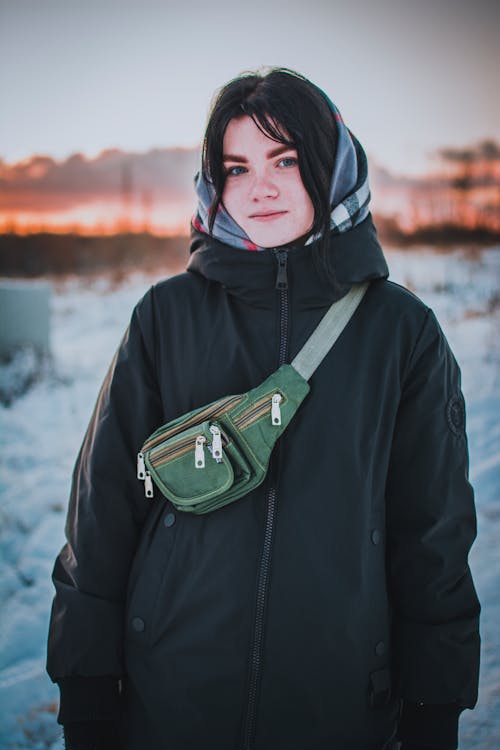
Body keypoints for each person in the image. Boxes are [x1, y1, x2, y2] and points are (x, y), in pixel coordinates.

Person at [47, 67, 480, 750]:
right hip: (170, 699)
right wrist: (88, 690)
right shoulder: (165, 317)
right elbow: (104, 510)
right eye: (237, 167)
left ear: (332, 165)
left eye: (285, 158)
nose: (262, 187)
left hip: (339, 708)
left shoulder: (403, 333)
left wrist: (435, 702)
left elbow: (431, 536)